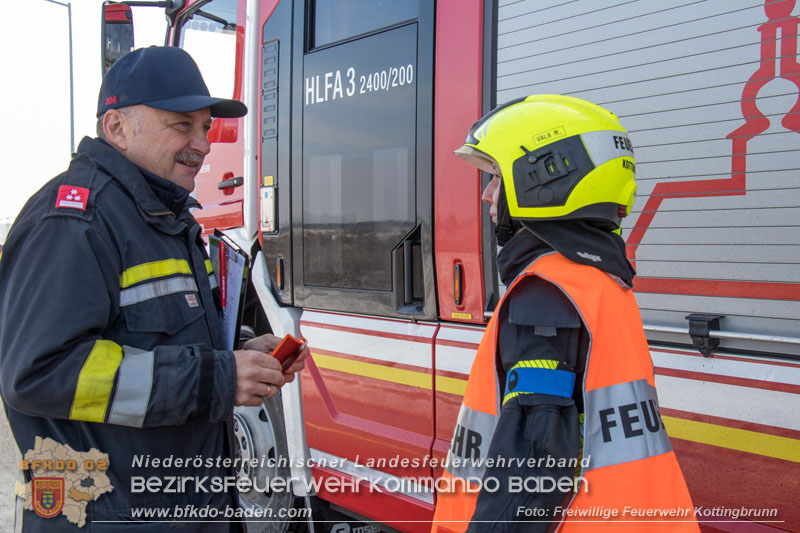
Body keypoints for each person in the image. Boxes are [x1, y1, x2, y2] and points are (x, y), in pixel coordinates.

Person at [0, 46, 307, 531]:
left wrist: (241, 355)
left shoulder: (163, 218)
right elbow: (41, 371)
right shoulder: (74, 222)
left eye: (205, 127)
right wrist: (218, 379)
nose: (203, 145)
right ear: (117, 128)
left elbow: (160, 340)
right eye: (181, 125)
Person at [431, 95, 698, 532]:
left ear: (542, 180)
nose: (486, 195)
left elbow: (533, 467)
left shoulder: (545, 294)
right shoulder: (599, 281)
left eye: (496, 177)